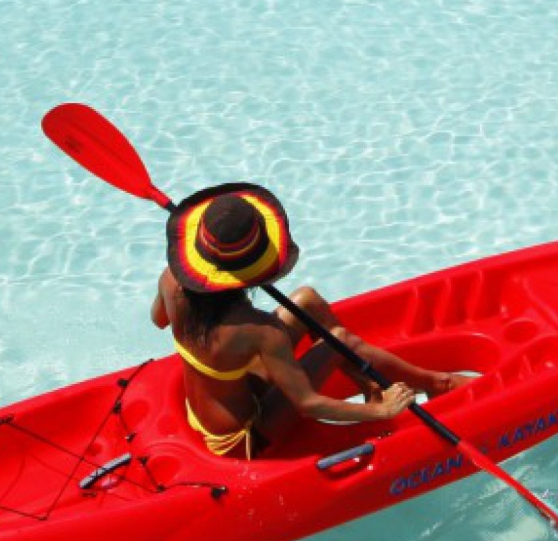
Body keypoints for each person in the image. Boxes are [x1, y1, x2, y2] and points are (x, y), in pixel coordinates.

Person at [153, 182, 468, 460]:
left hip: (210, 405)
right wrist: (380, 411)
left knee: (306, 300)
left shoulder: (170, 281)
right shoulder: (261, 331)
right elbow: (307, 403)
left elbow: (159, 320)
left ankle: (369, 384)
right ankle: (436, 383)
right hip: (244, 438)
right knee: (338, 340)